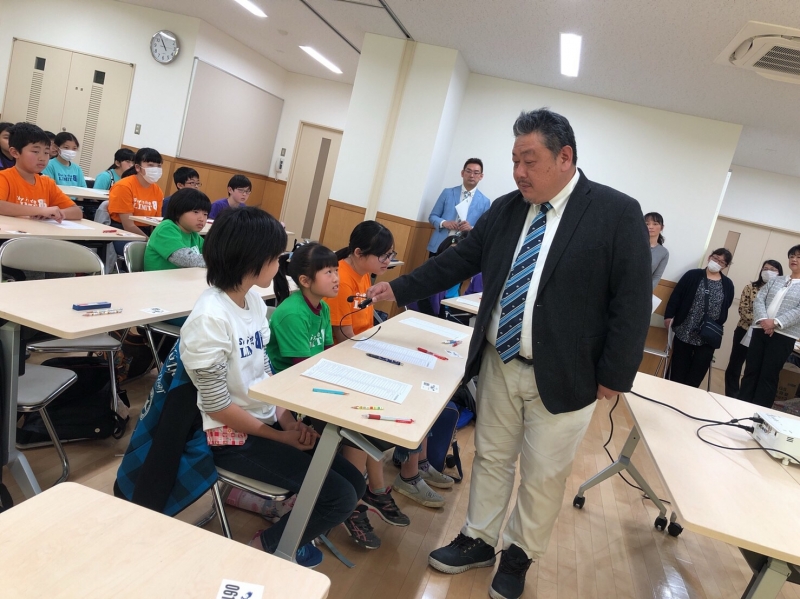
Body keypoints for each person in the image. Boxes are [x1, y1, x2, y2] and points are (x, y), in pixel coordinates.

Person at [367, 108, 652, 599]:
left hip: (568, 374)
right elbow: (459, 259)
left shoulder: (614, 212)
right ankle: (478, 539)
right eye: (515, 160)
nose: (519, 171)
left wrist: (616, 373)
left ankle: (519, 555)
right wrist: (400, 287)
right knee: (492, 458)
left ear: (565, 157)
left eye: (529, 160)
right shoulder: (505, 209)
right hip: (500, 361)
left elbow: (631, 300)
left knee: (544, 474)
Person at [180, 206, 364, 568]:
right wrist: (280, 437)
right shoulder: (210, 319)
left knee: (354, 483)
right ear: (252, 260)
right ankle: (267, 548)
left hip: (264, 421)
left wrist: (289, 421)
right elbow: (217, 407)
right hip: (230, 439)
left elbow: (265, 373)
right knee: (340, 497)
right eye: (276, 257)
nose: (280, 265)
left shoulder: (250, 300)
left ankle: (290, 528)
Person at [327, 221, 450, 515]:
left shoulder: (363, 275)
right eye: (383, 255)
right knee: (402, 395)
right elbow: (342, 338)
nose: (388, 261)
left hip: (362, 351)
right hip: (344, 360)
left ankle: (412, 469)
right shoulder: (342, 279)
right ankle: (390, 482)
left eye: (391, 255)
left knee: (418, 386)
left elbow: (365, 327)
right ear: (359, 253)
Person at [267, 242, 379, 549]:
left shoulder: (324, 307)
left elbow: (328, 354)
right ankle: (333, 503)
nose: (336, 278)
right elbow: (303, 369)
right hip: (287, 397)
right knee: (350, 424)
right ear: (305, 281)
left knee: (358, 422)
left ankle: (341, 498)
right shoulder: (292, 313)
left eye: (335, 271)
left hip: (307, 387)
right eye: (328, 272)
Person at [739, 246, 800, 407]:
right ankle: (740, 406)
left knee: (769, 375)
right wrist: (764, 320)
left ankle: (758, 412)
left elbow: (798, 311)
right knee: (751, 370)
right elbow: (760, 299)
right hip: (760, 329)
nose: (794, 259)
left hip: (784, 335)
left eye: (799, 257)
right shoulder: (776, 280)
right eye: (792, 256)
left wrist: (775, 322)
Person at [665, 249, 735, 388]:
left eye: (722, 262)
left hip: (708, 334)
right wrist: (669, 316)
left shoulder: (727, 284)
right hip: (686, 327)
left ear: (725, 266)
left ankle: (689, 396)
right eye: (715, 258)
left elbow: (726, 305)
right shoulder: (693, 275)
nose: (717, 263)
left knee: (697, 372)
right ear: (709, 257)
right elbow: (676, 296)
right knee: (678, 369)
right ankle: (671, 393)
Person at [724, 260, 783, 397]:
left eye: (772, 269)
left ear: (779, 273)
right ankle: (732, 395)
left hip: (768, 334)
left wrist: (770, 325)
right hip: (745, 330)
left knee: (755, 367)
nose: (768, 272)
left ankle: (746, 396)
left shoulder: (781, 291)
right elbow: (743, 310)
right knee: (735, 364)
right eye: (765, 268)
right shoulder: (750, 288)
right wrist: (763, 323)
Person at [0, 122, 82, 221]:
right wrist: (39, 210)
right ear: (15, 152)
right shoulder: (4, 178)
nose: (42, 158)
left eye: (46, 152)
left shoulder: (47, 183)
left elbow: (77, 212)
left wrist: (57, 213)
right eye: (35, 151)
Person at [427, 159, 491, 257]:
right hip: (440, 245)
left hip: (464, 249)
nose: (472, 175)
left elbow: (484, 229)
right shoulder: (447, 193)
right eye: (468, 171)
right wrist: (444, 223)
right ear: (462, 173)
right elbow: (432, 216)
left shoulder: (485, 201)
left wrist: (471, 228)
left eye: (476, 172)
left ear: (481, 176)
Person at [144, 188, 210, 271]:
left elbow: (210, 252)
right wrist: (218, 261)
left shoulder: (193, 234)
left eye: (205, 214)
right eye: (195, 212)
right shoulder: (166, 229)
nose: (202, 219)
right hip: (158, 278)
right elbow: (184, 259)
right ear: (178, 212)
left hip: (182, 277)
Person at [645, 212, 669, 290]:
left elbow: (656, 277)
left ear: (662, 227)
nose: (650, 227)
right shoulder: (633, 244)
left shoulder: (663, 253)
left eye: (655, 224)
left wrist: (646, 292)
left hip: (642, 291)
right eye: (647, 224)